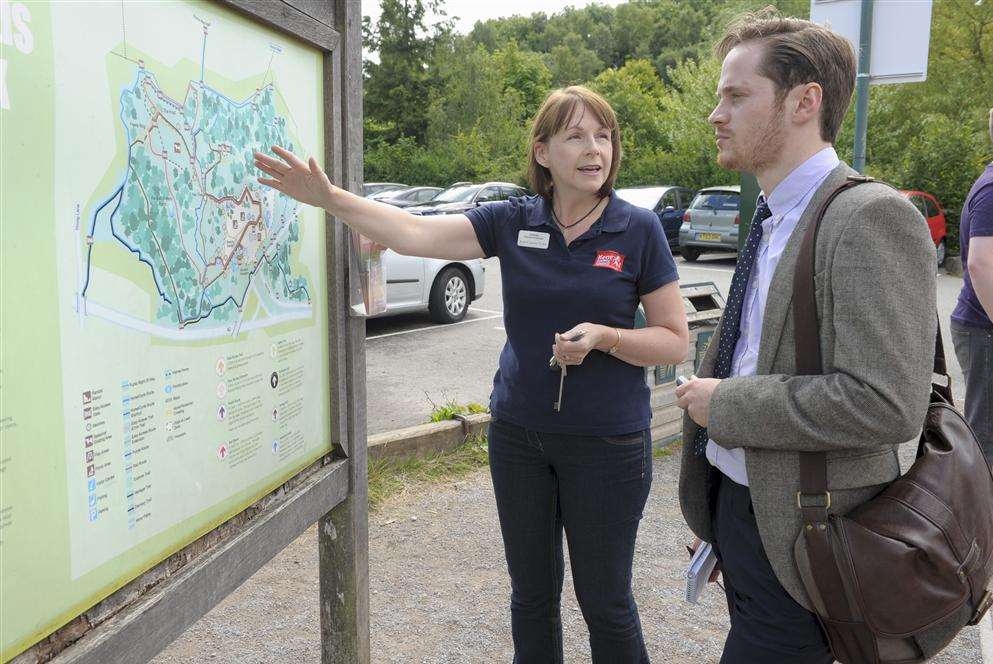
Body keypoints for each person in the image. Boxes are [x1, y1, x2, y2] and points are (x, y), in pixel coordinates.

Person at [255, 86, 689, 663]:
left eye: (604, 136)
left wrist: (607, 337)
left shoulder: (637, 230)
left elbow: (672, 340)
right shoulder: (513, 220)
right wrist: (330, 197)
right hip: (519, 437)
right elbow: (415, 232)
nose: (596, 149)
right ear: (542, 151)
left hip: (607, 445)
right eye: (577, 136)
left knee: (605, 600)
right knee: (532, 596)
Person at [674, 11, 937, 664]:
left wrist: (724, 404)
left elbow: (885, 403)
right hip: (748, 519)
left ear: (803, 101)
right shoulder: (773, 215)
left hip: (808, 542)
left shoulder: (868, 217)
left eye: (735, 95)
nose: (715, 113)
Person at [951, 107, 993, 467]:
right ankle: (979, 519)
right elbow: (980, 264)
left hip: (981, 327)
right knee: (987, 439)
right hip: (983, 329)